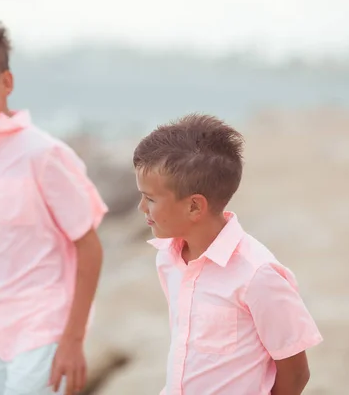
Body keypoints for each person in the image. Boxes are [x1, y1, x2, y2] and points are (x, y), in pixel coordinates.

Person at [0, 16, 108, 395]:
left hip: (47, 327)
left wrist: (73, 341)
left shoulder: (43, 155)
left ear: (6, 82)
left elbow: (89, 246)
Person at [133, 114, 323, 395]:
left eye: (150, 198)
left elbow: (295, 373)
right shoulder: (168, 259)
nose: (141, 208)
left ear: (195, 207)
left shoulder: (258, 275)